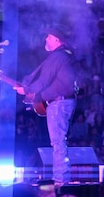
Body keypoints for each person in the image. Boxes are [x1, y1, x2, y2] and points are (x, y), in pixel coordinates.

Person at [14, 25, 79, 185]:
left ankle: (61, 179)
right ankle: (61, 177)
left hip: (59, 103)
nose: (46, 39)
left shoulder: (58, 56)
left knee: (57, 141)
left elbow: (44, 80)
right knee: (58, 141)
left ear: (56, 40)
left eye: (49, 37)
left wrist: (28, 89)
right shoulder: (64, 56)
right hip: (63, 102)